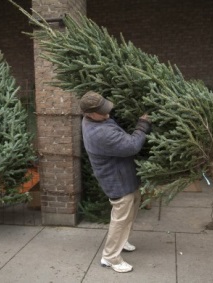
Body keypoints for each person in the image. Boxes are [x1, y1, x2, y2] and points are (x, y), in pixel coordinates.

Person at [79, 91, 151, 273]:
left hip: (125, 176)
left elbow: (109, 118)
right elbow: (132, 146)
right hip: (117, 180)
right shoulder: (100, 133)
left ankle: (122, 240)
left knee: (132, 208)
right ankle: (110, 257)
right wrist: (142, 125)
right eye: (102, 111)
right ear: (89, 113)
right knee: (121, 217)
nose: (107, 113)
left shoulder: (95, 119)